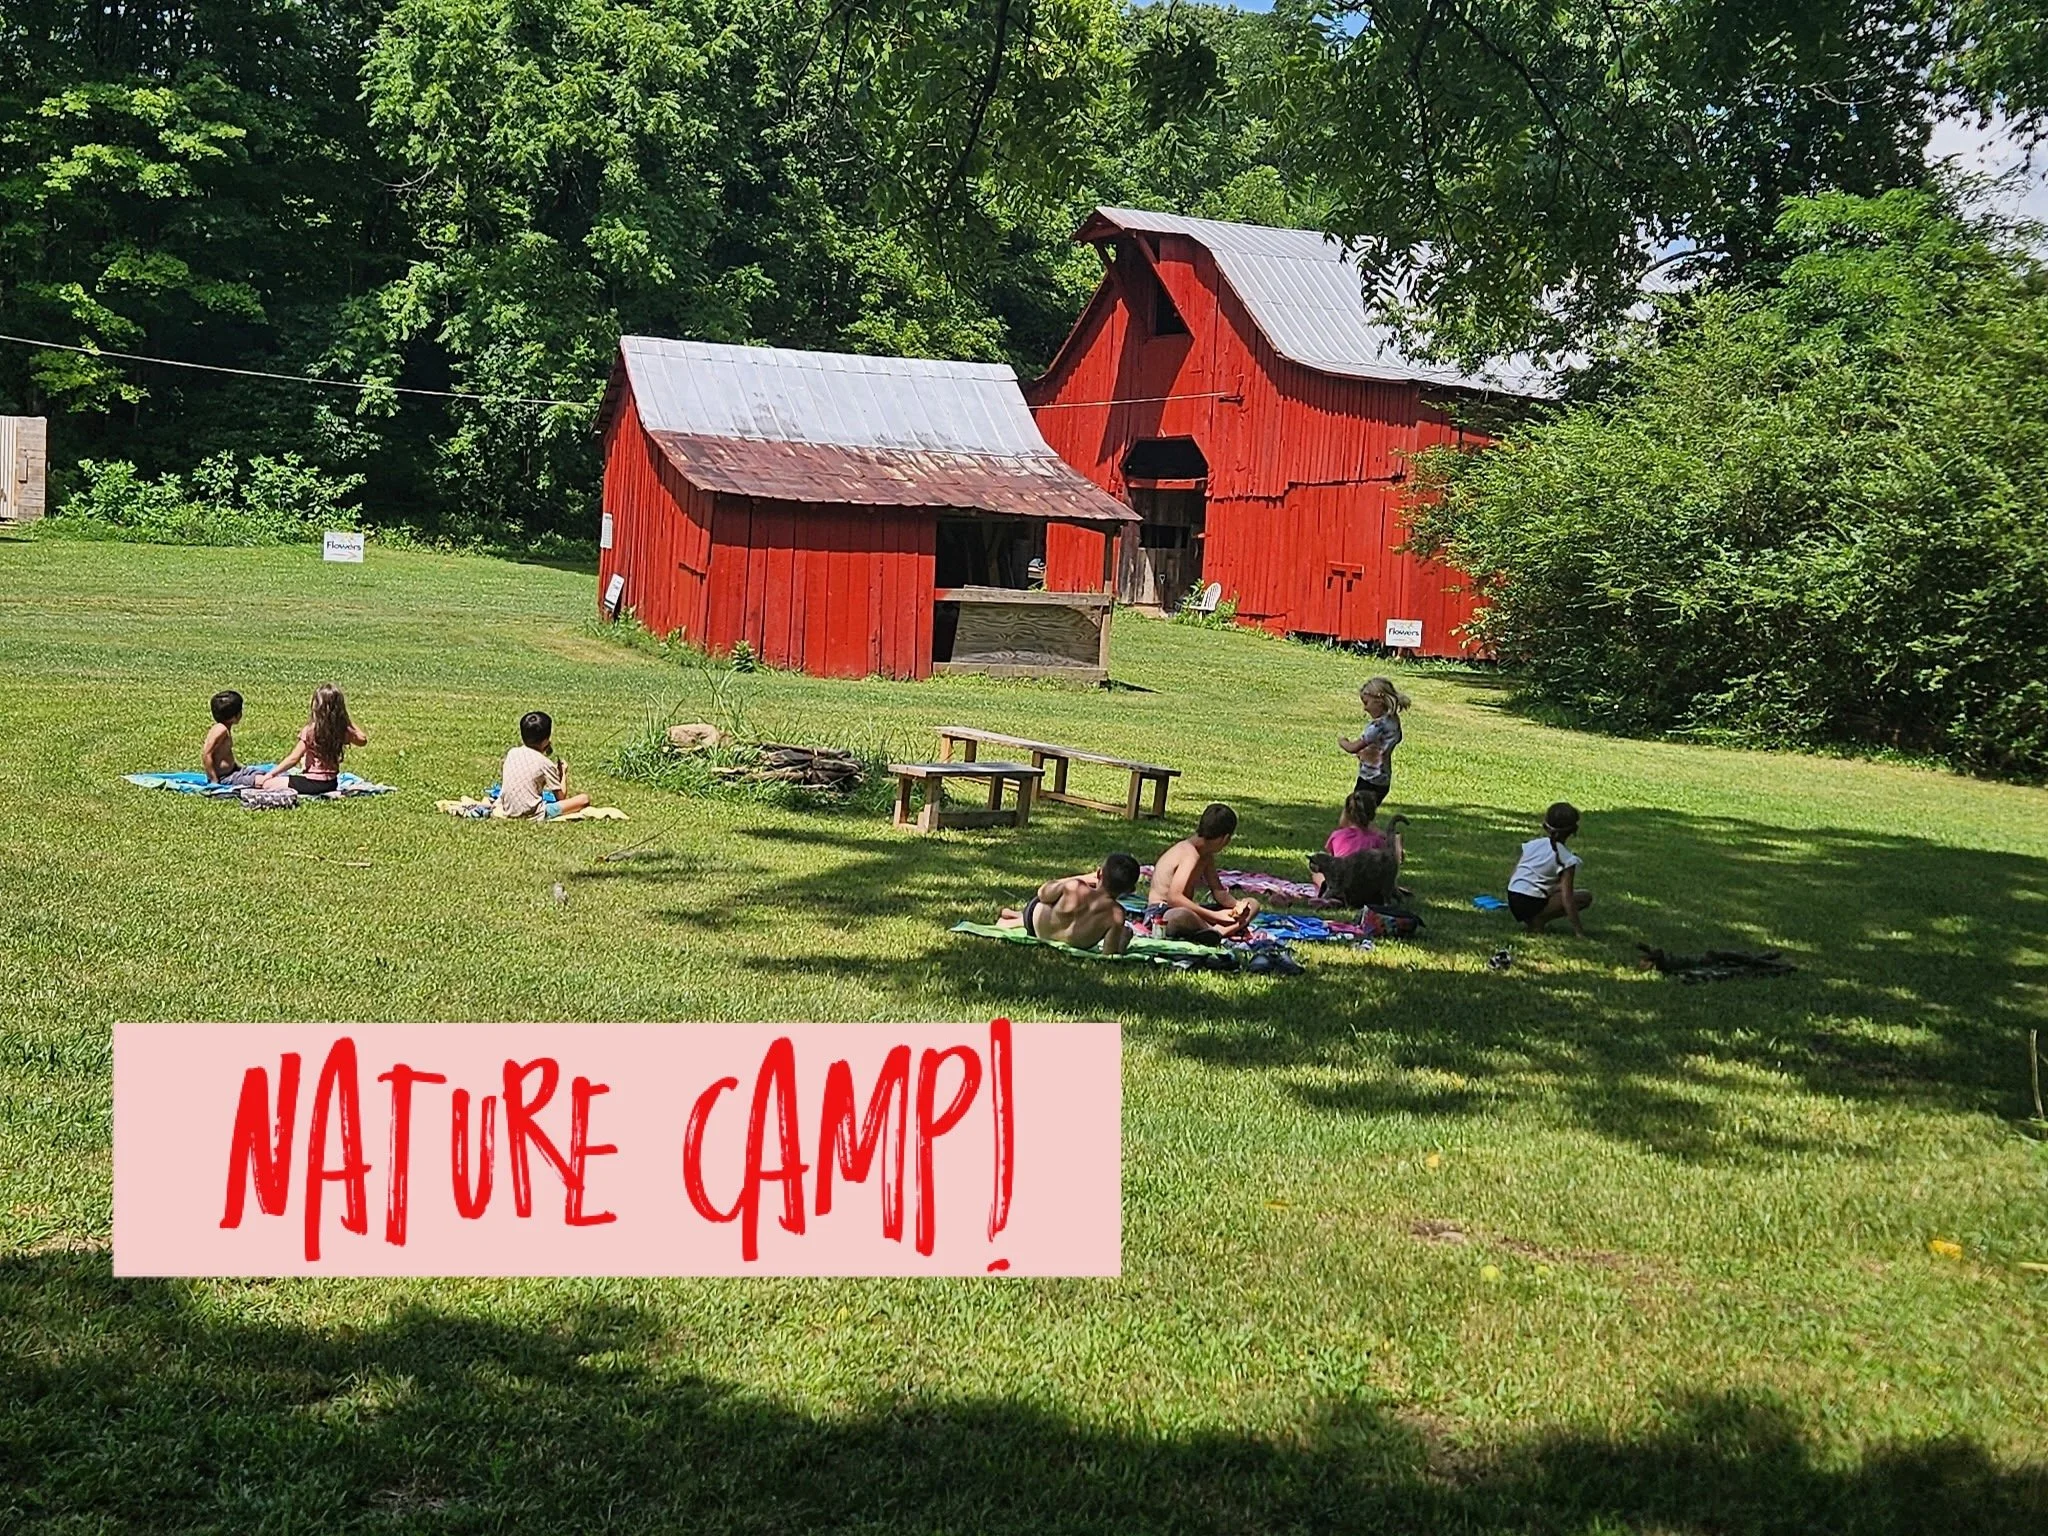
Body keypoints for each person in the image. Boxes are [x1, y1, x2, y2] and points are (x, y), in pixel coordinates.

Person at [1146, 802, 1261, 942]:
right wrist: (1215, 917)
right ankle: (1215, 930)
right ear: (1225, 838)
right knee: (1179, 916)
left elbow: (1219, 892)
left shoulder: (1206, 854)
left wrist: (1238, 906)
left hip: (1192, 911)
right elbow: (1174, 898)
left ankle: (1216, 931)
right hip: (1163, 912)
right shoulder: (1189, 853)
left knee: (1252, 904)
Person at [998, 853, 1140, 953]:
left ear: (1098, 874)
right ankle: (1015, 916)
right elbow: (1109, 953)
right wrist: (1123, 941)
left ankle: (1011, 919)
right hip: (1057, 935)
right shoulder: (1116, 914)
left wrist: (1080, 879)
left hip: (1036, 925)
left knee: (1052, 901)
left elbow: (1043, 893)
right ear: (1130, 890)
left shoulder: (1075, 887)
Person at [263, 683, 367, 796]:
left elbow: (293, 758)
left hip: (311, 783)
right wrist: (346, 720)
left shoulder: (310, 731)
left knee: (268, 784)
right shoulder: (342, 731)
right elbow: (362, 740)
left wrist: (272, 774)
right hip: (331, 783)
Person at [1507, 802, 1593, 935]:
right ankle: (1537, 920)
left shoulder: (1532, 845)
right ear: (1573, 830)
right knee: (1584, 897)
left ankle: (1532, 918)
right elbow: (1567, 898)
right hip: (1531, 901)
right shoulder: (1567, 859)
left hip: (1513, 896)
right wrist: (1579, 931)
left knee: (1557, 887)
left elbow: (1516, 872)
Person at [498, 710, 591, 820]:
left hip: (508, 809)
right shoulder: (545, 763)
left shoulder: (512, 753)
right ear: (546, 739)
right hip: (534, 814)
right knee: (584, 799)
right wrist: (563, 774)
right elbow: (561, 798)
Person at [1311, 790, 1405, 898]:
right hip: (1370, 890)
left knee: (1318, 872)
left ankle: (1325, 888)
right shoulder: (1378, 840)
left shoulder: (1337, 836)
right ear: (1373, 814)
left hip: (1344, 887)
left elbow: (1332, 860)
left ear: (1346, 813)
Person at [1338, 676, 1412, 812]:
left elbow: (1353, 748)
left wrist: (1343, 742)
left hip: (1369, 779)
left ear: (1379, 701)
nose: (1365, 709)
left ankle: (1382, 835)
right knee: (1363, 816)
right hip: (1383, 780)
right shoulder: (1394, 722)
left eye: (1366, 703)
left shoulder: (1377, 727)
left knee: (1353, 815)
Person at [203, 690, 246, 783]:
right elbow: (206, 754)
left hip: (232, 772)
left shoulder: (225, 728)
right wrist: (214, 780)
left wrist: (236, 766)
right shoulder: (220, 730)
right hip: (225, 777)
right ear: (236, 715)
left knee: (261, 773)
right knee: (261, 780)